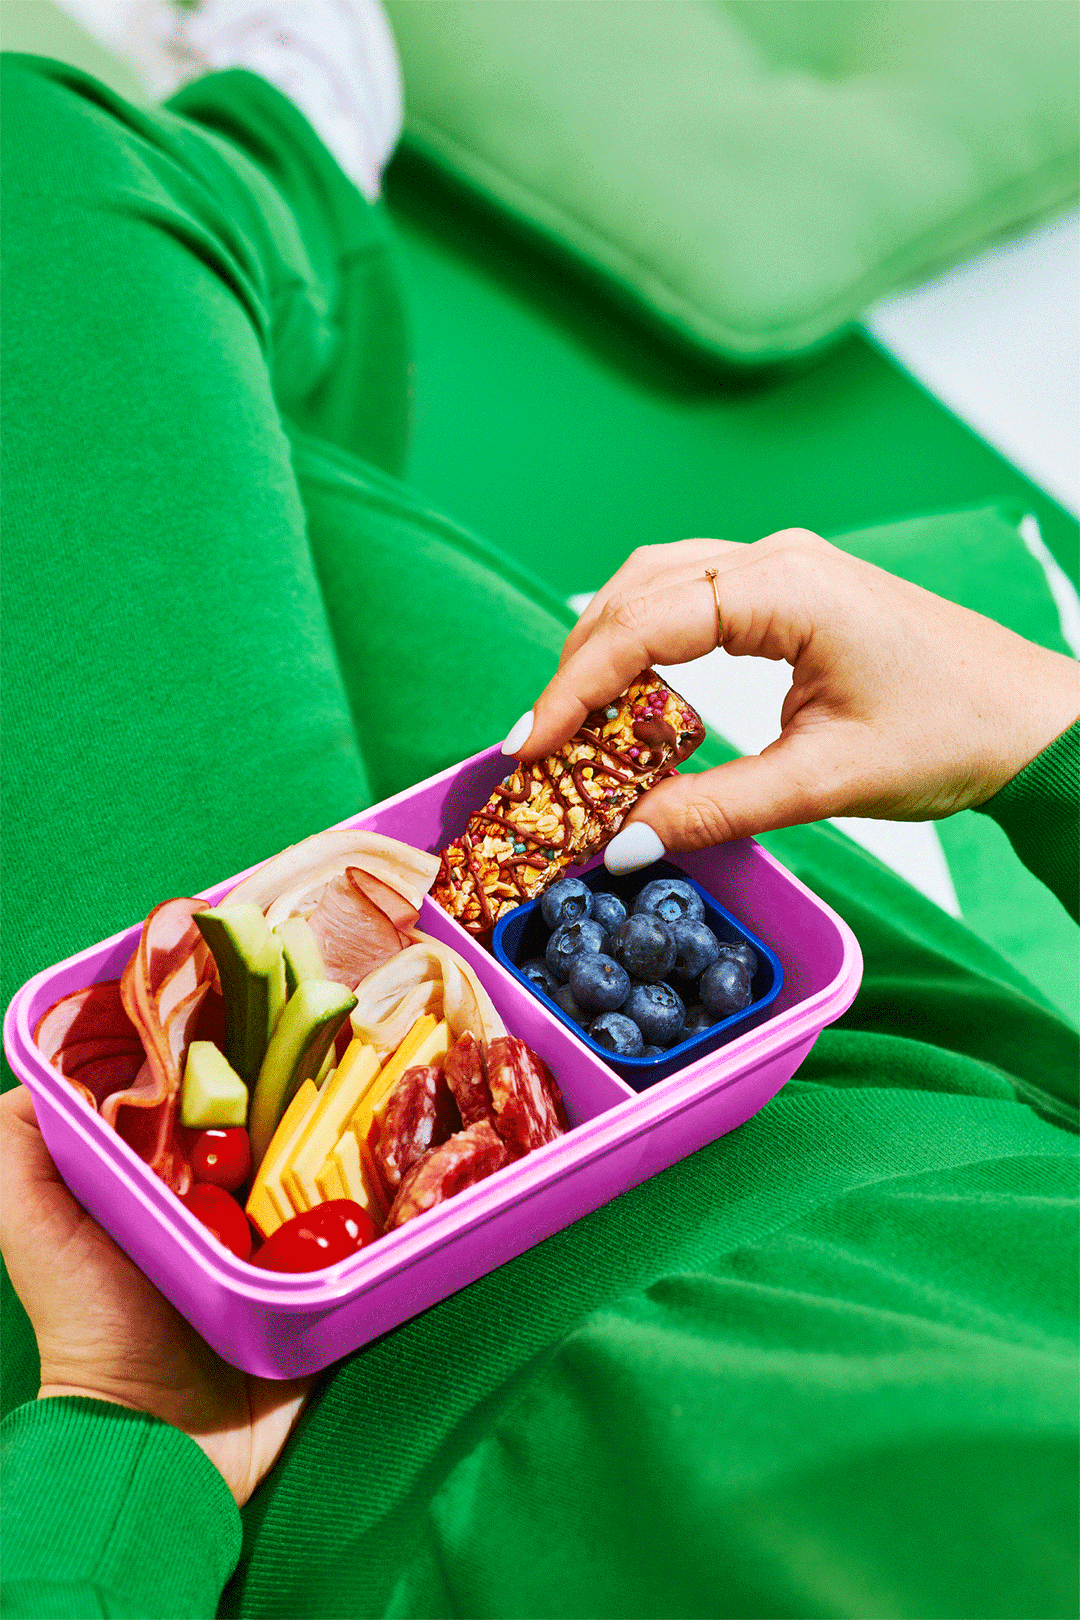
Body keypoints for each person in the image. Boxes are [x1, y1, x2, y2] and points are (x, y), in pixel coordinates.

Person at [1, 7, 1077, 1617]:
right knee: (152, 393)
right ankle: (288, 225)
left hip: (325, 1406)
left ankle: (287, 187)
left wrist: (134, 1439)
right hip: (890, 1092)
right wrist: (1045, 732)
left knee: (47, 194)